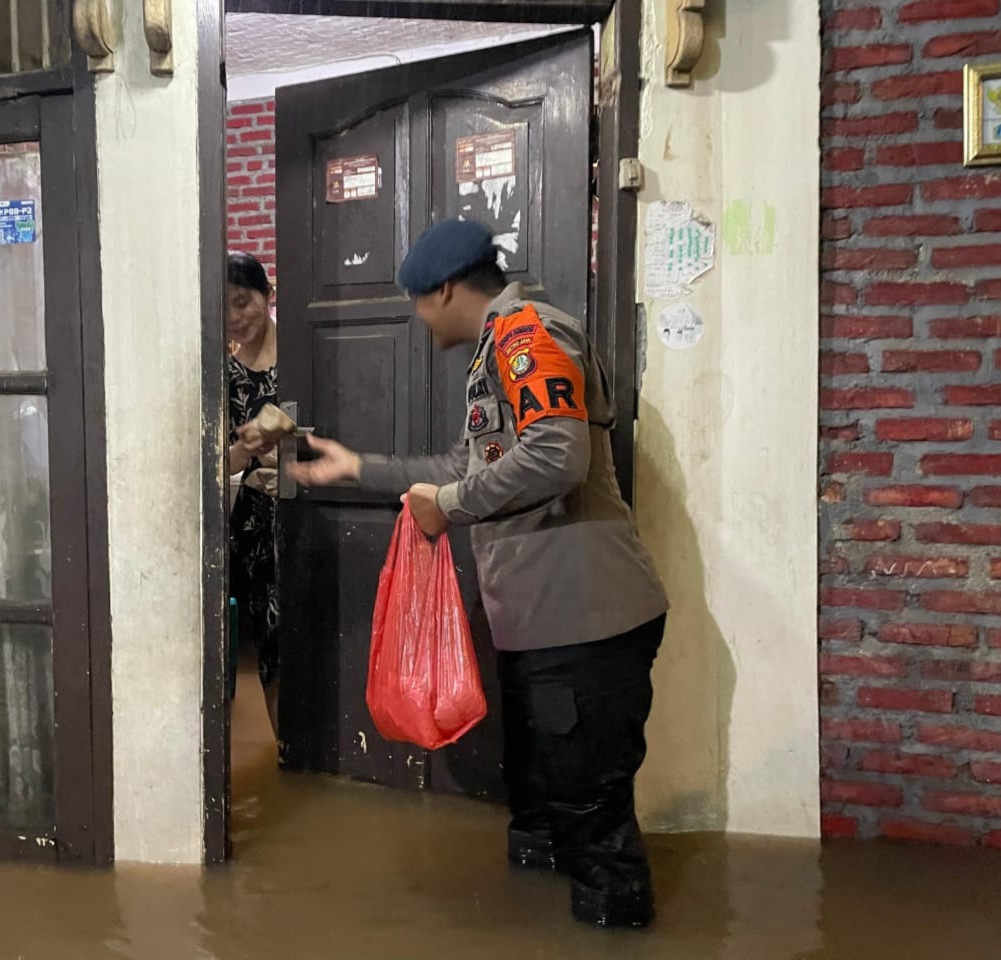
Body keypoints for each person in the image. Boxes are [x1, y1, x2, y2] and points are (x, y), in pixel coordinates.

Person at [288, 219, 670, 929]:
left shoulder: (527, 337)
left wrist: (451, 507)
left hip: (587, 619)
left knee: (596, 830)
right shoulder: (498, 348)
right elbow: (469, 470)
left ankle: (615, 931)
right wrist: (362, 468)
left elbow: (558, 458)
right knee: (552, 809)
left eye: (416, 302)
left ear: (442, 290)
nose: (417, 316)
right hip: (544, 623)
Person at [226, 252, 282, 734]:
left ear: (268, 296)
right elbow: (218, 465)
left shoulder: (304, 356)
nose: (235, 317)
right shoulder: (227, 377)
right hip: (255, 527)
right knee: (270, 640)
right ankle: (286, 746)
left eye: (243, 302)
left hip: (309, 510)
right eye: (224, 308)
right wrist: (246, 451)